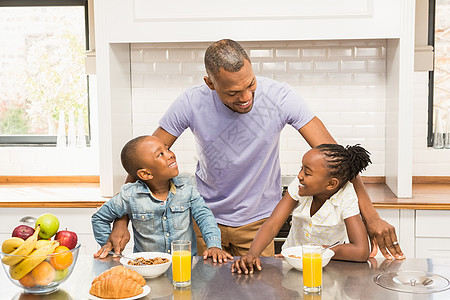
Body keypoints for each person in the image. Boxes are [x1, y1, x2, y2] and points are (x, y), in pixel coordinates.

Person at [103, 38, 404, 260]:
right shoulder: (190, 102)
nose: (246, 97)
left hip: (261, 223)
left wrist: (371, 216)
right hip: (205, 219)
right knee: (207, 292)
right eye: (233, 92)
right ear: (210, 83)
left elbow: (338, 157)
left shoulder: (281, 97)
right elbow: (143, 161)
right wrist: (121, 220)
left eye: (251, 85)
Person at [231, 144, 372, 274]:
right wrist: (252, 254)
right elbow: (273, 224)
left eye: (307, 172)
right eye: (301, 168)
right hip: (291, 263)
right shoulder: (300, 187)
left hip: (327, 267)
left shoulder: (346, 197)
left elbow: (361, 251)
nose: (300, 176)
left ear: (331, 184)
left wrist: (319, 252)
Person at [91, 135, 233, 263]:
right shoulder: (129, 195)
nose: (170, 155)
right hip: (147, 268)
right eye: (160, 154)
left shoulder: (187, 186)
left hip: (185, 267)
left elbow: (204, 216)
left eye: (167, 149)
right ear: (146, 174)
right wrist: (109, 250)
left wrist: (214, 245)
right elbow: (99, 218)